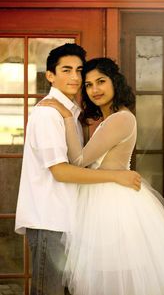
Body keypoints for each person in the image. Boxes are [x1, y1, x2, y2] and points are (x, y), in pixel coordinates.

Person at [39, 57, 164, 295]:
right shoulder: (109, 120)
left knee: (115, 274)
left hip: (113, 203)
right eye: (89, 85)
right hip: (103, 196)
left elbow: (79, 161)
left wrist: (64, 116)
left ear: (115, 82)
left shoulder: (121, 118)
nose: (95, 90)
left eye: (101, 81)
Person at [15, 45, 141, 295]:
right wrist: (117, 176)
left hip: (73, 217)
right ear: (50, 75)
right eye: (66, 70)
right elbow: (62, 171)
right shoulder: (49, 113)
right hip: (48, 218)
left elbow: (79, 160)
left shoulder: (72, 114)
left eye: (79, 71)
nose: (75, 77)